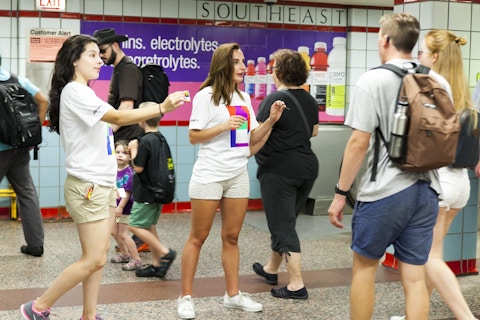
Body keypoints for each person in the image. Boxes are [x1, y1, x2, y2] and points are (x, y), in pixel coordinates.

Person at [19, 34, 185, 320]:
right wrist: (161, 108)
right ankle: (37, 307)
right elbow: (119, 118)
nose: (100, 60)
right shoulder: (75, 91)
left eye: (100, 55)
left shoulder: (83, 92)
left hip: (102, 184)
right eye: (93, 55)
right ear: (74, 60)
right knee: (94, 258)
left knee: (98, 255)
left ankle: (89, 314)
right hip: (88, 186)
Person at [327, 13, 451, 320]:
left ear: (385, 40)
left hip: (385, 192)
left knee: (364, 268)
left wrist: (341, 193)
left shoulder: (373, 79)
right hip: (428, 190)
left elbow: (359, 142)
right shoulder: (436, 79)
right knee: (414, 275)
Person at [176, 42, 287, 319]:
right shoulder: (206, 96)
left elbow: (249, 139)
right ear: (223, 64)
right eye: (237, 62)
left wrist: (271, 121)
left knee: (232, 237)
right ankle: (186, 297)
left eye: (243, 61)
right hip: (209, 175)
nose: (242, 67)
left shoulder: (244, 98)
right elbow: (194, 136)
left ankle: (233, 295)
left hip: (237, 174)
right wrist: (222, 126)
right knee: (198, 237)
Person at [390, 30, 479, 320]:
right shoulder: (464, 95)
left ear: (435, 57)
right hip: (460, 184)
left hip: (439, 183)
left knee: (429, 257)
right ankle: (417, 314)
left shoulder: (434, 92)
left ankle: (465, 316)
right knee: (432, 255)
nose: (420, 57)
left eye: (424, 53)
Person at [251, 49, 319, 300]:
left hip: (280, 170)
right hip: (307, 168)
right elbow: (314, 132)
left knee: (284, 226)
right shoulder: (310, 99)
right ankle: (272, 268)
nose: (271, 70)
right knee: (285, 220)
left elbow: (257, 133)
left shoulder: (275, 98)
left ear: (279, 71)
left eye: (273, 66)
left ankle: (296, 285)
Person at [94, 27, 150, 253]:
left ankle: (141, 239)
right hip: (125, 137)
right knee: (126, 191)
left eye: (103, 50)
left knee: (129, 191)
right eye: (97, 53)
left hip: (129, 139)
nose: (101, 56)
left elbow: (126, 107)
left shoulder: (127, 70)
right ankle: (135, 238)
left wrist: (105, 134)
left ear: (115, 45)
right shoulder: (119, 70)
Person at [0, 55, 48, 257]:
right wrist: (33, 134)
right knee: (27, 193)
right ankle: (36, 245)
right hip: (20, 149)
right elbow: (43, 100)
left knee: (26, 192)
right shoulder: (15, 79)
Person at [127, 106, 177, 279]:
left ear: (142, 119)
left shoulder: (146, 141)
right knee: (149, 225)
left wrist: (133, 149)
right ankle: (156, 265)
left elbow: (138, 167)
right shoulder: (160, 138)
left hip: (146, 193)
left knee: (134, 225)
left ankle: (164, 252)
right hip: (157, 191)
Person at [110, 140, 143, 271]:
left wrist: (120, 207)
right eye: (117, 152)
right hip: (115, 207)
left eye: (124, 153)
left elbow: (127, 193)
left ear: (130, 156)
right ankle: (125, 254)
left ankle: (136, 259)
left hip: (125, 208)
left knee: (123, 234)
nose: (120, 155)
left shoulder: (129, 173)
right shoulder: (113, 171)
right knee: (114, 232)